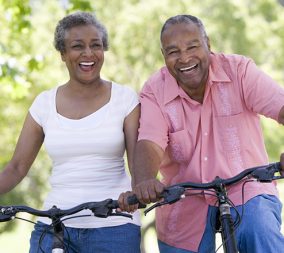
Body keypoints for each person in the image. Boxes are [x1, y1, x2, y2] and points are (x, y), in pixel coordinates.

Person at [131, 14, 284, 253]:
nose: (184, 58)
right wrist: (143, 181)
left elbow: (281, 107)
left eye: (192, 46)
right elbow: (149, 142)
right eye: (173, 52)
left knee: (260, 228)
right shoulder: (154, 90)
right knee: (176, 241)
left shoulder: (239, 71)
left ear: (208, 44)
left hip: (246, 187)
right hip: (183, 196)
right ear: (164, 56)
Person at [0, 11, 141, 253]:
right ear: (63, 54)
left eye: (96, 45)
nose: (88, 54)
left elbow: (138, 162)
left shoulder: (125, 99)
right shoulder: (44, 104)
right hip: (55, 224)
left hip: (115, 225)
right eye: (78, 46)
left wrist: (136, 193)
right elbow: (17, 167)